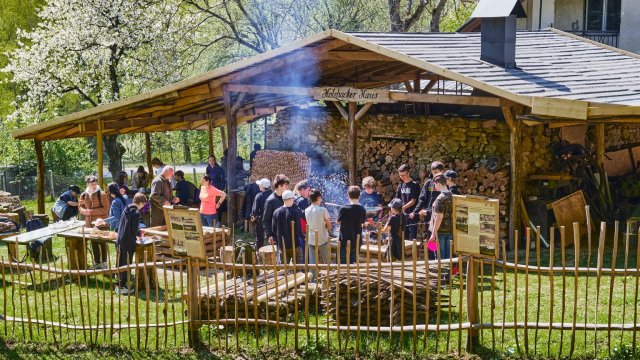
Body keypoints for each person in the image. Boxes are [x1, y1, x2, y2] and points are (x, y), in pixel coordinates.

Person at [114, 192, 147, 295]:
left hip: (120, 238)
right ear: (140, 202)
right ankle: (122, 286)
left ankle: (118, 284)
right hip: (128, 240)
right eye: (143, 205)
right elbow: (133, 229)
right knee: (126, 263)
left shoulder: (126, 208)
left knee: (120, 261)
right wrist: (139, 233)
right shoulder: (136, 213)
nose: (143, 207)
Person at [78, 175, 110, 269]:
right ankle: (97, 262)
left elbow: (106, 209)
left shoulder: (102, 194)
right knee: (93, 242)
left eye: (95, 183)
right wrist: (84, 211)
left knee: (102, 241)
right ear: (88, 184)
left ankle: (104, 262)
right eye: (92, 183)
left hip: (101, 222)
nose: (94, 185)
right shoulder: (84, 194)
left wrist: (91, 212)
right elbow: (80, 206)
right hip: (89, 223)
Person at [411, 161, 445, 237]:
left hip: (441, 217)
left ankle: (437, 249)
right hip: (429, 217)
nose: (434, 175)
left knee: (439, 240)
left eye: (436, 172)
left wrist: (429, 211)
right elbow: (422, 199)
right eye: (433, 172)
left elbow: (444, 203)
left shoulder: (445, 184)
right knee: (431, 238)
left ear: (442, 171)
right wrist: (414, 212)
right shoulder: (428, 183)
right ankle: (431, 249)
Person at [305, 189, 332, 279]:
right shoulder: (323, 210)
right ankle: (332, 277)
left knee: (313, 263)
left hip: (311, 239)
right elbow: (329, 226)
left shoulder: (306, 210)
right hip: (322, 239)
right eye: (320, 198)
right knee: (328, 261)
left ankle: (313, 281)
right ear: (318, 198)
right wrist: (325, 226)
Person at [271, 190, 303, 264]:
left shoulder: (276, 212)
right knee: (298, 268)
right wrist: (303, 236)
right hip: (294, 244)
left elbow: (274, 229)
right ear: (290, 199)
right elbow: (298, 229)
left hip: (282, 245)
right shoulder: (295, 212)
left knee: (284, 268)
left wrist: (277, 240)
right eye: (292, 199)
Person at [428, 174, 454, 264]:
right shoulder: (452, 195)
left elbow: (439, 217)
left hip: (440, 232)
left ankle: (441, 276)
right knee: (448, 256)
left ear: (438, 183)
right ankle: (447, 276)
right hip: (450, 230)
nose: (435, 186)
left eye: (435, 184)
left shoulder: (440, 198)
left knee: (440, 257)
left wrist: (433, 235)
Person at [337, 186, 366, 264]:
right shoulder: (362, 209)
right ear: (359, 196)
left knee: (343, 262)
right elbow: (363, 223)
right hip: (356, 239)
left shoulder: (343, 208)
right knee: (353, 263)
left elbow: (338, 222)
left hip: (344, 239)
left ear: (348, 196)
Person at [263, 174, 289, 247]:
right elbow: (266, 220)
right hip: (276, 235)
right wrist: (269, 235)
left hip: (287, 234)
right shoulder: (270, 200)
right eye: (286, 185)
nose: (287, 187)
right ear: (280, 186)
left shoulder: (286, 198)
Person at [396, 165, 420, 241]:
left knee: (413, 237)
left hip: (412, 214)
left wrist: (402, 208)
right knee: (404, 236)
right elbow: (397, 199)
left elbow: (413, 201)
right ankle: (405, 252)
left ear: (409, 173)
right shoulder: (400, 185)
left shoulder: (414, 185)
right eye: (400, 175)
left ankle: (414, 252)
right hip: (403, 215)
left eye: (404, 175)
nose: (402, 177)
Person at [251, 178, 272, 250]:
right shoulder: (273, 194)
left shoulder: (259, 196)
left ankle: (259, 253)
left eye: (260, 185)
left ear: (263, 186)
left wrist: (253, 216)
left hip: (261, 220)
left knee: (260, 239)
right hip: (272, 220)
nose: (259, 186)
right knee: (272, 238)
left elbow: (255, 211)